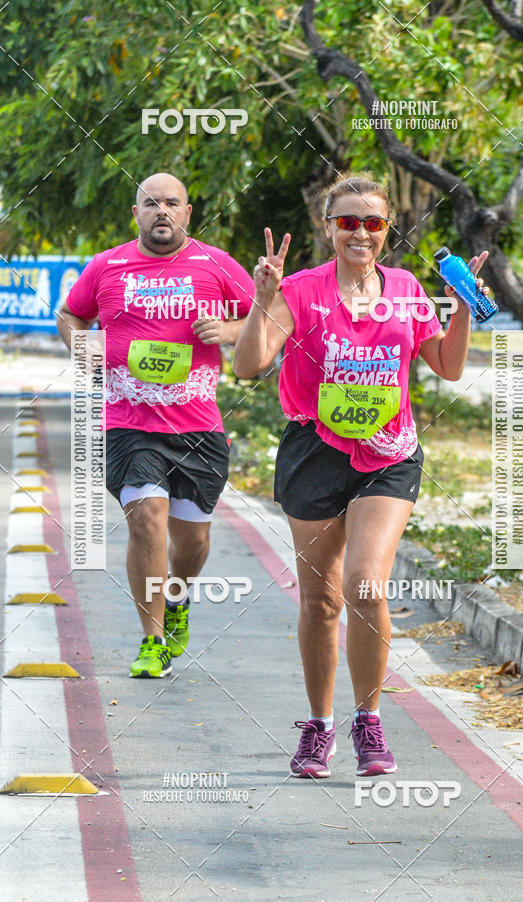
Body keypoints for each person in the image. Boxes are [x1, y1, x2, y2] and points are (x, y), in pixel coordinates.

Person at [234, 173, 489, 777]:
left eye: (372, 222)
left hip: (389, 452)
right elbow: (248, 365)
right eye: (346, 221)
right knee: (321, 601)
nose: (360, 232)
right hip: (313, 450)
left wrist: (465, 307)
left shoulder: (406, 289)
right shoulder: (298, 290)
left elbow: (448, 368)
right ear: (328, 228)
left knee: (366, 584)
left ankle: (368, 722)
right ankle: (318, 727)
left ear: (386, 230)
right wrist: (261, 297)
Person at [57, 172, 254, 678]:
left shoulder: (215, 264)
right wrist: (82, 345)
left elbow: (272, 317)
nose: (161, 211)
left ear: (188, 213)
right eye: (151, 203)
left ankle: (178, 597)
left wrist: (232, 329)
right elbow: (70, 316)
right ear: (136, 212)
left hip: (198, 428)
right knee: (146, 518)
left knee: (192, 542)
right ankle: (151, 639)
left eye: (172, 203)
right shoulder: (108, 265)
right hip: (130, 422)